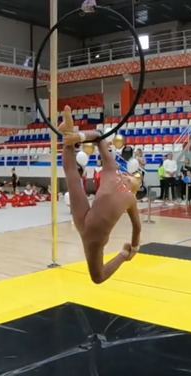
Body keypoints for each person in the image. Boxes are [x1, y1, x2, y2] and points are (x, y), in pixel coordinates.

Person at [59, 105, 141, 284]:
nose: (132, 176)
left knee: (72, 174)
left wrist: (79, 137)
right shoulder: (129, 196)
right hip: (94, 233)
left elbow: (97, 136)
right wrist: (133, 249)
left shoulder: (114, 172)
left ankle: (69, 132)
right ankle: (69, 133)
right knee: (98, 277)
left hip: (88, 223)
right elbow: (137, 228)